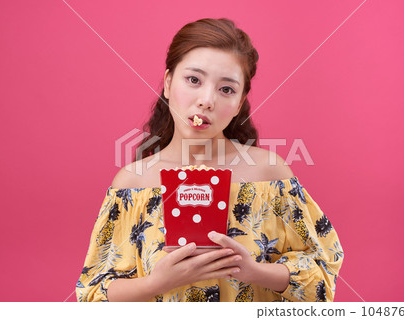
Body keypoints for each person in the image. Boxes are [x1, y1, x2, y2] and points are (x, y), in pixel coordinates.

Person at [75, 18, 344, 302]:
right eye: (193, 80)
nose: (206, 100)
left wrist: (253, 271)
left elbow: (323, 273)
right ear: (168, 84)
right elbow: (92, 295)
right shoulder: (133, 183)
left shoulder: (268, 173)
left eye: (226, 89)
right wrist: (157, 282)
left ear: (239, 103)